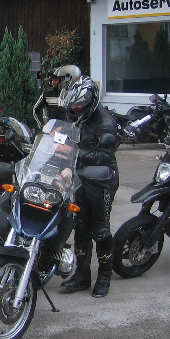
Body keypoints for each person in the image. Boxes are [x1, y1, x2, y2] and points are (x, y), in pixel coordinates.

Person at [58, 75, 120, 298]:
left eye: (79, 105)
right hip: (81, 178)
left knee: (101, 230)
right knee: (81, 226)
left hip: (102, 180)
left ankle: (104, 277)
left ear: (91, 100)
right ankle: (82, 275)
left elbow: (105, 155)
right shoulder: (78, 117)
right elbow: (67, 137)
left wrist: (75, 156)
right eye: (73, 105)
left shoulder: (105, 122)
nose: (75, 108)